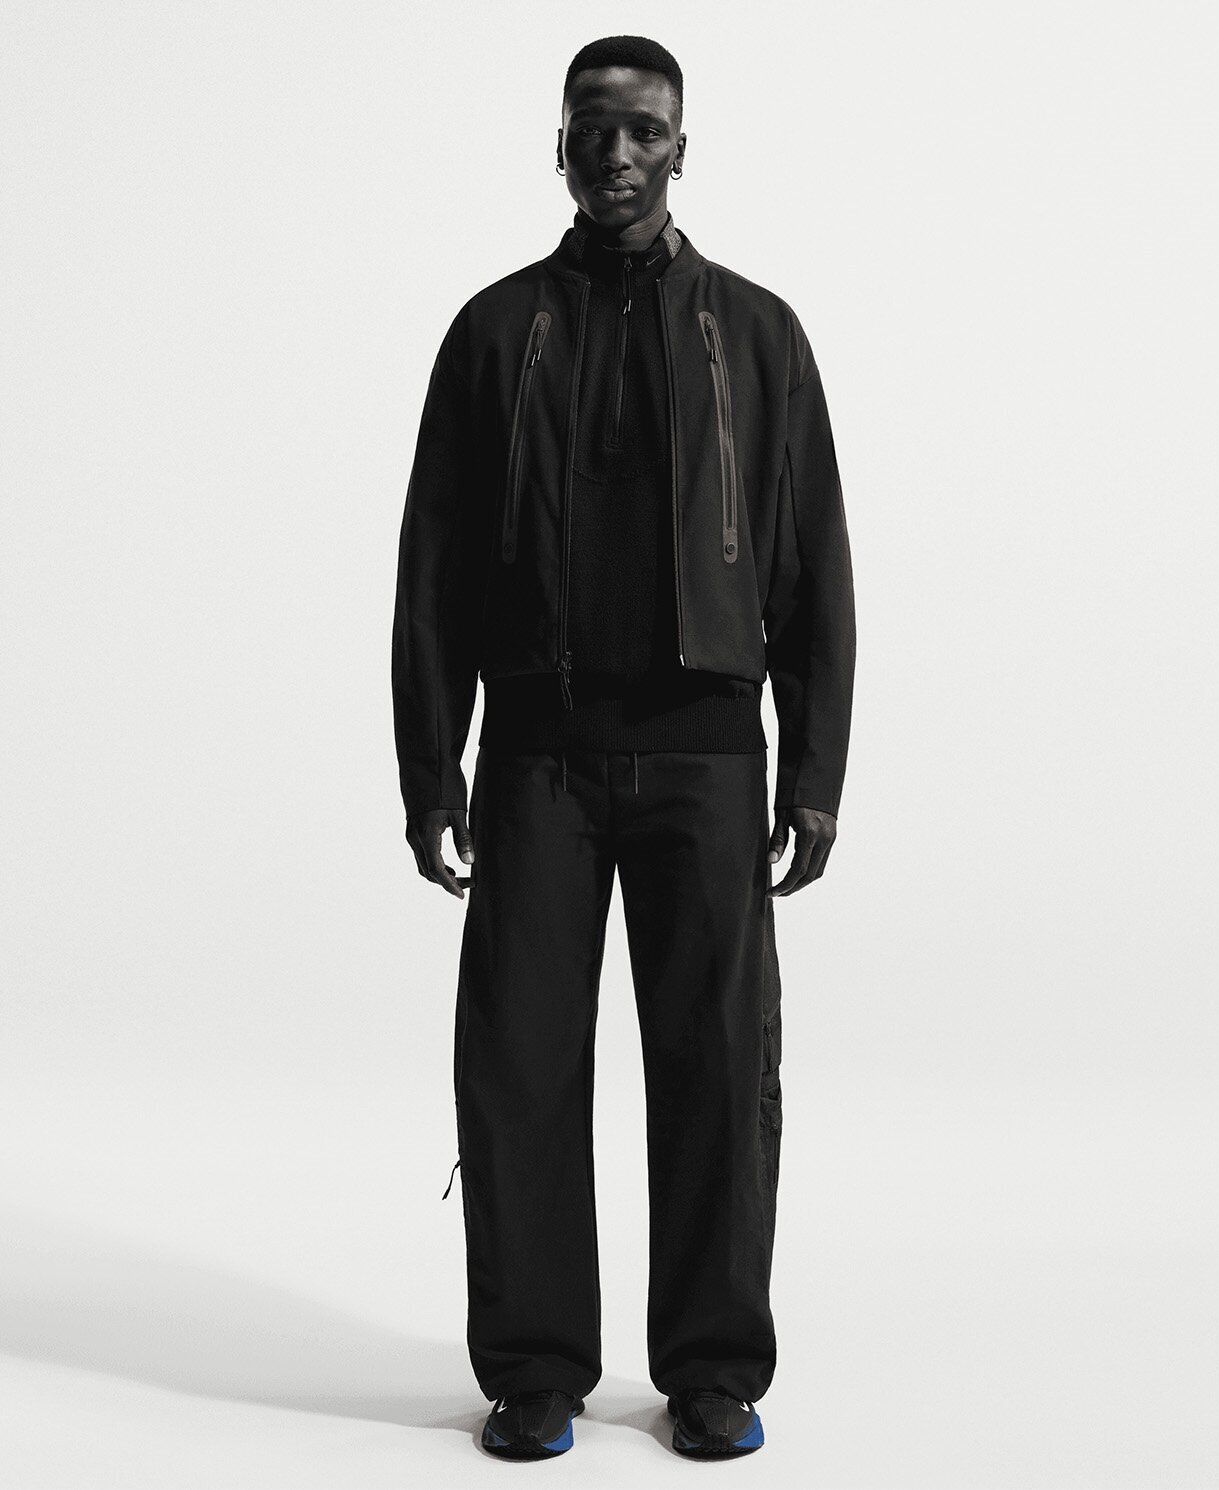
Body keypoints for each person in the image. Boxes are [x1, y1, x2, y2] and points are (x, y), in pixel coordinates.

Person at [391, 34, 856, 1461]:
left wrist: (815, 772)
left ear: (682, 149)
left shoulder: (760, 335)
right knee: (519, 1065)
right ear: (558, 147)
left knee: (717, 1070)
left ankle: (710, 1367)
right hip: (538, 761)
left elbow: (812, 563)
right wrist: (431, 765)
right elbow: (434, 569)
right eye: (592, 127)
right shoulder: (493, 332)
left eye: (643, 129)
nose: (616, 152)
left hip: (709, 764)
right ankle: (536, 1366)